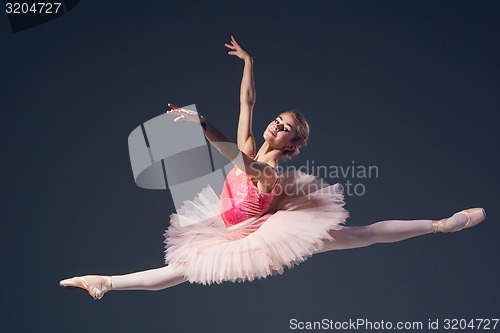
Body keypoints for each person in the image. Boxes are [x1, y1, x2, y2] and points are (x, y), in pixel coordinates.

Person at [60, 36, 486, 300]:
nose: (276, 126)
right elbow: (246, 104)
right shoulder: (252, 143)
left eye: (285, 129)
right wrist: (249, 63)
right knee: (181, 272)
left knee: (363, 235)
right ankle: (106, 283)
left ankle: (440, 225)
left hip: (266, 234)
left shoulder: (267, 171)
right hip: (231, 227)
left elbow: (235, 157)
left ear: (292, 144)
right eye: (278, 120)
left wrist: (202, 124)